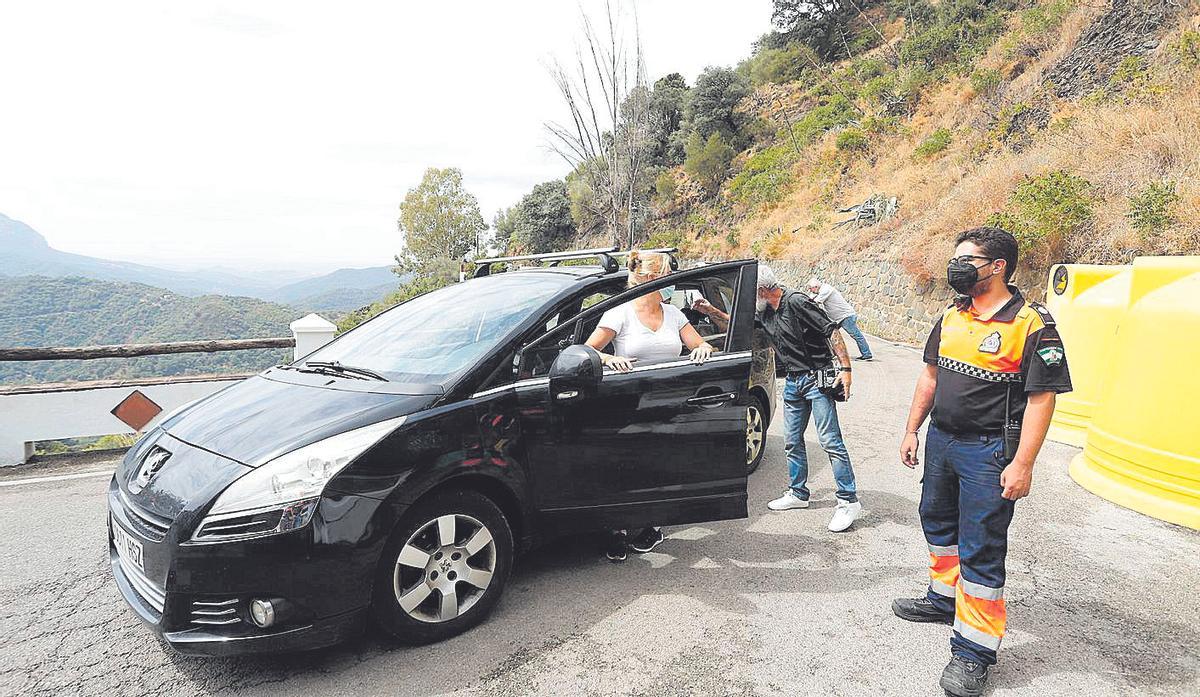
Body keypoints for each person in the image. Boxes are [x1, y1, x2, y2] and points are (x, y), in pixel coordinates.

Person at [894, 227, 1072, 697]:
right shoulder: (952, 315)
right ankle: (942, 597)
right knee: (935, 520)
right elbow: (929, 378)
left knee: (981, 546)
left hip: (990, 451)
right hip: (942, 442)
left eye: (967, 259)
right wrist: (913, 429)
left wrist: (1024, 464)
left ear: (997, 266)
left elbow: (1042, 398)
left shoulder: (1031, 324)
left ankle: (973, 652)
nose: (957, 266)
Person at [584, 250, 716, 561]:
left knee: (659, 469)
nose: (673, 282)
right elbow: (588, 350)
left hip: (668, 404)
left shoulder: (674, 315)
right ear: (652, 279)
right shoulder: (620, 313)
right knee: (625, 470)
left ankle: (651, 527)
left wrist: (703, 350)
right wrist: (610, 358)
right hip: (628, 403)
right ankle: (616, 529)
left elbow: (701, 343)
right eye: (668, 275)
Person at [750, 266, 863, 532]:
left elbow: (831, 330)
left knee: (830, 441)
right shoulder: (765, 312)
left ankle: (848, 500)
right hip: (792, 382)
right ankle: (798, 493)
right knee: (791, 440)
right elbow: (734, 326)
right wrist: (709, 310)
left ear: (762, 290)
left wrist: (846, 369)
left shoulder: (796, 301)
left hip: (816, 378)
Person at [806, 277, 873, 361]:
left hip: (845, 316)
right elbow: (811, 298)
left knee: (856, 335)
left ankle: (867, 354)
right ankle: (833, 353)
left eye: (810, 289)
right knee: (829, 333)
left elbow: (815, 302)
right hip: (837, 318)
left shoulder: (826, 289)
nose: (810, 291)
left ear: (815, 287)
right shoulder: (819, 290)